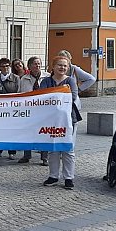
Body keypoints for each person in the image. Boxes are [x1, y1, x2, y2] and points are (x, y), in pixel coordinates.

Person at [39, 56, 81, 190]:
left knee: (68, 149)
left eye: (65, 66)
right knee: (53, 149)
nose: (62, 68)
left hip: (69, 119)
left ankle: (69, 177)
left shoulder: (71, 81)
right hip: (51, 119)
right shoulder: (46, 81)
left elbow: (72, 96)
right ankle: (53, 176)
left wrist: (55, 96)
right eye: (59, 65)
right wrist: (60, 93)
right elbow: (42, 96)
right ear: (53, 66)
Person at [19, 56, 51, 165]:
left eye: (39, 64)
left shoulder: (48, 77)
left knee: (44, 132)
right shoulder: (24, 79)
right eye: (35, 64)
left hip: (44, 110)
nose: (37, 66)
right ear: (29, 66)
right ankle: (27, 155)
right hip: (29, 110)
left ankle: (44, 157)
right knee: (27, 132)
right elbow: (20, 94)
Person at [0, 57, 20, 160]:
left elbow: (19, 93)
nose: (6, 68)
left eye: (7, 66)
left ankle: (12, 152)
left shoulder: (16, 78)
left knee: (11, 131)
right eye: (3, 66)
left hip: (11, 110)